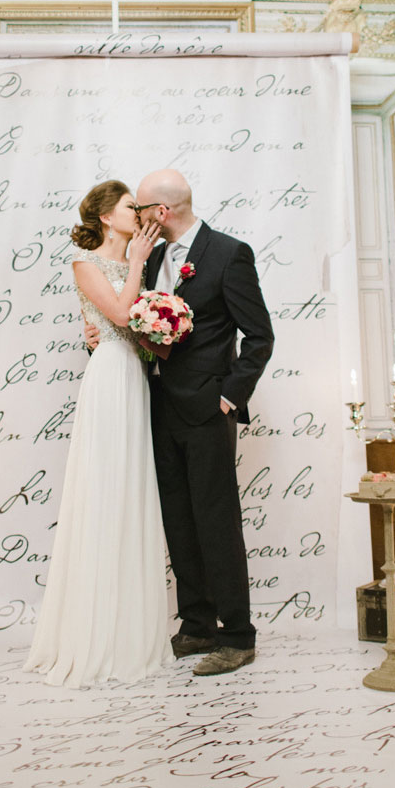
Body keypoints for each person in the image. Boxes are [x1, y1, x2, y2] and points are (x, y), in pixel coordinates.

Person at [24, 179, 172, 687]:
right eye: (132, 206)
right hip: (109, 375)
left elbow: (141, 327)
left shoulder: (141, 261)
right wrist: (135, 264)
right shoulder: (83, 263)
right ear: (108, 216)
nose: (140, 213)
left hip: (135, 374)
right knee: (106, 490)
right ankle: (96, 635)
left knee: (132, 491)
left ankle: (131, 630)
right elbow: (120, 315)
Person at [134, 168, 274, 676]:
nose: (136, 217)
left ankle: (238, 635)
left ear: (161, 212)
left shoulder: (229, 253)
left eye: (141, 209)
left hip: (207, 410)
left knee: (215, 521)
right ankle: (196, 626)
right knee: (178, 518)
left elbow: (260, 336)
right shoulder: (148, 256)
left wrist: (228, 398)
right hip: (157, 404)